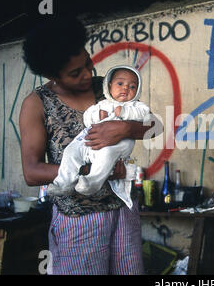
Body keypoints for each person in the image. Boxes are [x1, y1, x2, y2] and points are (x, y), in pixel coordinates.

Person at [19, 16, 161, 275]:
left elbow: (156, 128)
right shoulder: (37, 104)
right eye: (75, 73)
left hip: (122, 207)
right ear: (52, 75)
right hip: (79, 217)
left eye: (87, 62)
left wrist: (128, 128)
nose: (87, 74)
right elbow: (32, 171)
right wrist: (91, 172)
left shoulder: (108, 88)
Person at [48, 65, 150, 210]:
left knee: (106, 156)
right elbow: (87, 116)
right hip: (90, 141)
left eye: (132, 86)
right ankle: (63, 183)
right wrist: (97, 116)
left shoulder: (135, 106)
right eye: (120, 84)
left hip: (116, 145)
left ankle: (91, 183)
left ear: (137, 91)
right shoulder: (103, 104)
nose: (126, 88)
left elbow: (145, 115)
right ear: (109, 86)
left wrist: (125, 112)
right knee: (71, 151)